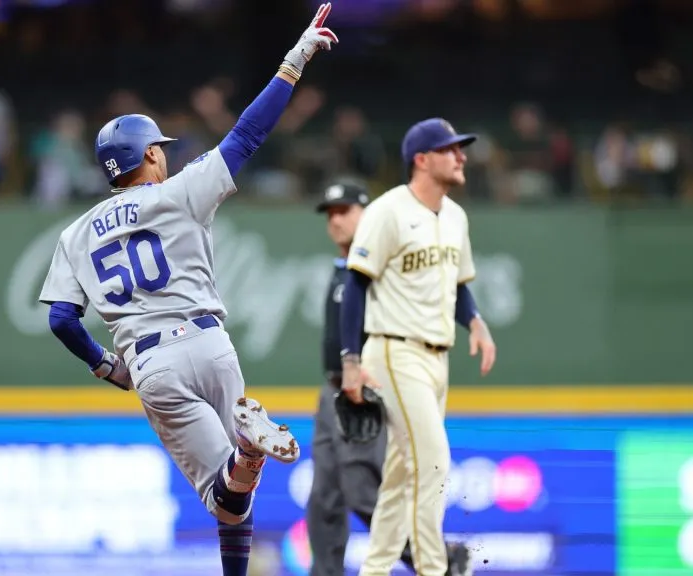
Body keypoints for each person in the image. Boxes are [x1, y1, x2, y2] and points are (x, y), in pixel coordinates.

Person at [36, 6, 338, 576]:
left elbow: (61, 320)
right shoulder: (178, 193)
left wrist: (107, 368)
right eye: (161, 147)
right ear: (149, 154)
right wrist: (297, 57)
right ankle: (247, 457)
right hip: (210, 343)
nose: (166, 153)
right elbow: (248, 134)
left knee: (224, 498)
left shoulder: (75, 234)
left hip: (152, 362)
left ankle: (248, 450)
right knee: (238, 496)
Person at [339, 118, 498, 576]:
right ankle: (435, 569)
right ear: (422, 160)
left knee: (402, 474)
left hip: (437, 357)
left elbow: (458, 286)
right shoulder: (388, 211)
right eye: (451, 149)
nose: (462, 156)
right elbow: (355, 284)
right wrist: (351, 361)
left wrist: (476, 323)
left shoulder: (456, 216)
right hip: (394, 351)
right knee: (432, 465)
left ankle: (375, 569)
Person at [307, 179, 473, 576]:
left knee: (366, 492)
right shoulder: (341, 269)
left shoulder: (382, 266)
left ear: (368, 213)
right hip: (331, 392)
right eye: (330, 214)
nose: (336, 221)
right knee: (323, 502)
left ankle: (443, 562)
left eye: (344, 211)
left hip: (368, 389)